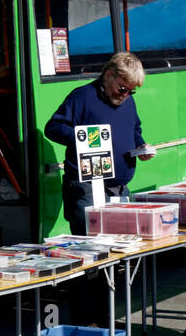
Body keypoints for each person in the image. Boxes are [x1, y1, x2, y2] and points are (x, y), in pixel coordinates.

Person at [45, 51, 154, 235]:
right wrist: (84, 139)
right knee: (94, 248)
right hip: (86, 189)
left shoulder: (129, 101)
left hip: (119, 190)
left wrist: (140, 146)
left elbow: (135, 128)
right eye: (122, 89)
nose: (126, 95)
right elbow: (53, 127)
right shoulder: (82, 96)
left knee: (122, 252)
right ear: (109, 75)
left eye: (131, 91)